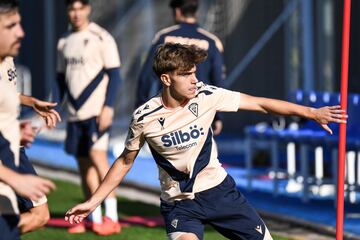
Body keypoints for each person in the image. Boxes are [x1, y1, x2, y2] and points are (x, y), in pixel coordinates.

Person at [65, 43, 347, 240]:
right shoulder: (144, 117)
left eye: (194, 72)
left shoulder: (207, 95)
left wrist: (311, 112)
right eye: (186, 74)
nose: (194, 80)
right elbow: (125, 162)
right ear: (166, 78)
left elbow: (260, 104)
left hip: (221, 194)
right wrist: (93, 202)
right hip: (180, 204)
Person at [53, 0, 122, 235]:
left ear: (88, 9)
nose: (76, 13)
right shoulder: (63, 42)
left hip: (96, 112)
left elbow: (115, 75)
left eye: (80, 8)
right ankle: (92, 217)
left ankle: (112, 218)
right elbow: (61, 79)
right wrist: (52, 105)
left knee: (97, 157)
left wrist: (108, 107)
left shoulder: (101, 37)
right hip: (74, 115)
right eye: (71, 8)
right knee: (83, 164)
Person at [0, 1, 56, 239]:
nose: (21, 32)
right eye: (11, 25)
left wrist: (29, 102)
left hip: (12, 149)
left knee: (39, 216)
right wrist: (15, 179)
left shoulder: (6, 57)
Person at [136, 0, 225, 135]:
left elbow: (146, 78)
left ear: (177, 11)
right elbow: (218, 81)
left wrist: (140, 109)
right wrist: (218, 116)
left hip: (170, 112)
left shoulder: (164, 37)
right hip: (201, 112)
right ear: (196, 12)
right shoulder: (212, 41)